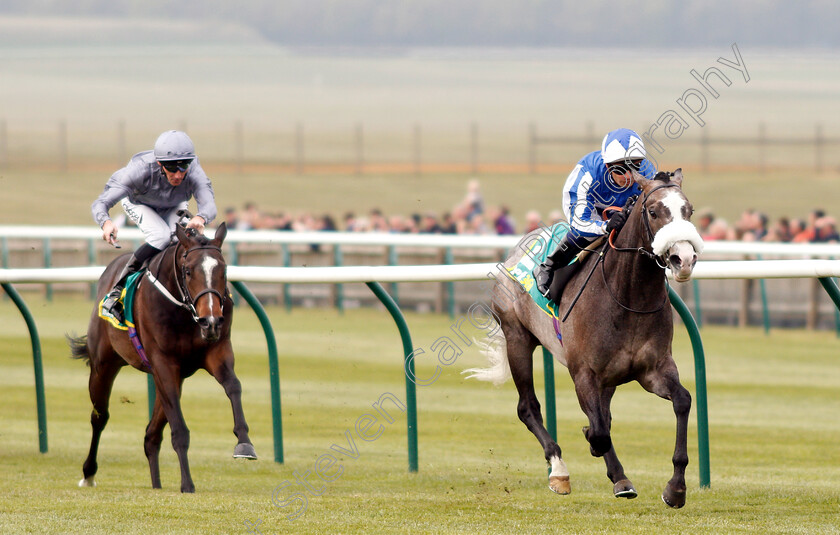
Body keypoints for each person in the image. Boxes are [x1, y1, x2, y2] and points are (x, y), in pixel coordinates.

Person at [91, 130, 217, 321]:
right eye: (171, 168)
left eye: (183, 166)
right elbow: (101, 203)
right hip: (139, 203)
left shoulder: (194, 170)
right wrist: (106, 223)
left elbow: (208, 203)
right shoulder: (138, 171)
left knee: (183, 239)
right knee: (161, 236)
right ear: (159, 163)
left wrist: (201, 218)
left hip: (173, 204)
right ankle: (116, 292)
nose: (178, 174)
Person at [533, 128, 657, 298]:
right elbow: (579, 223)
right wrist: (605, 225)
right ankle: (549, 266)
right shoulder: (588, 174)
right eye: (620, 170)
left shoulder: (649, 173)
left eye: (635, 167)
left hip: (623, 209)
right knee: (587, 235)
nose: (629, 176)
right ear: (607, 166)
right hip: (588, 212)